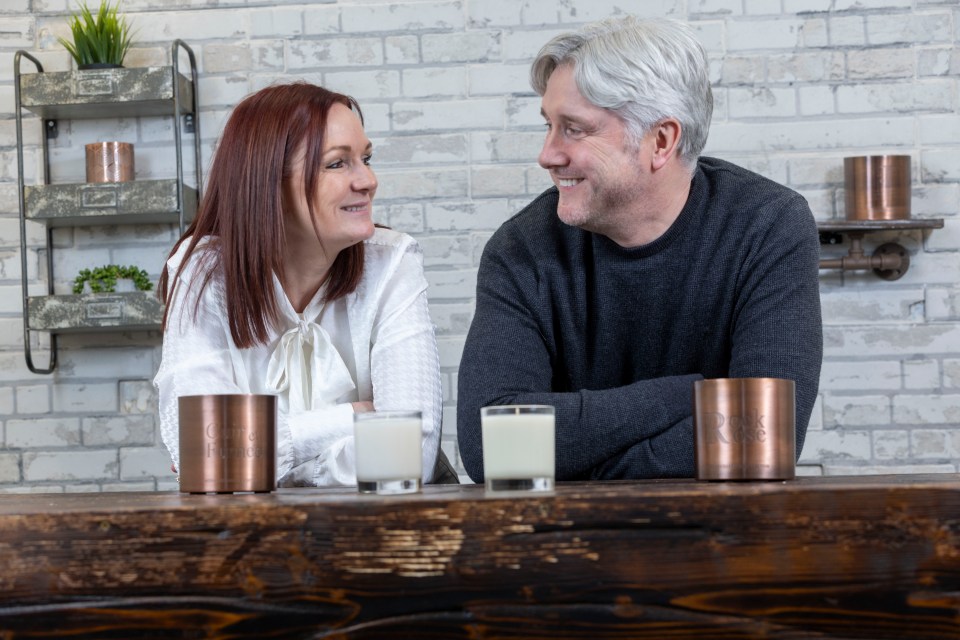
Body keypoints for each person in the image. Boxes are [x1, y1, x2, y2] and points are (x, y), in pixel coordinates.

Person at [457, 16, 823, 481]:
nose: (547, 154)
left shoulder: (766, 225)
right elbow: (489, 447)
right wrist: (688, 395)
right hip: (562, 546)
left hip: (723, 543)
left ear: (661, 141)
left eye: (574, 129)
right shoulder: (521, 250)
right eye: (549, 125)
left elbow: (766, 437)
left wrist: (582, 467)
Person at [154, 82, 454, 487]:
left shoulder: (392, 262)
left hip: (391, 531)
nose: (367, 180)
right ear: (268, 184)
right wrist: (351, 417)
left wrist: (267, 461)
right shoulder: (203, 274)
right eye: (337, 163)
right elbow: (202, 455)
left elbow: (407, 454)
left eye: (365, 158)